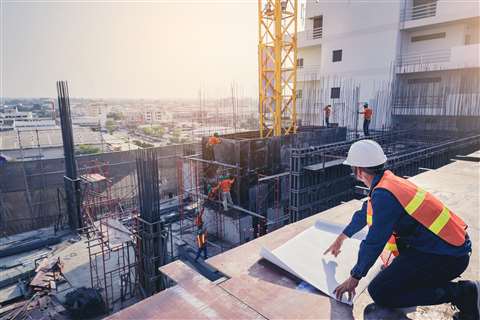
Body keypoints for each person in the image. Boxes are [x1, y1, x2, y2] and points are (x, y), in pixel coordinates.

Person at [324, 140, 478, 320]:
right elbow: (365, 212)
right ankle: (457, 290)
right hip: (447, 249)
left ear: (358, 170)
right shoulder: (388, 183)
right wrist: (341, 238)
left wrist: (355, 277)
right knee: (388, 274)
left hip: (447, 257)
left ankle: (463, 293)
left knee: (380, 291)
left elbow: (374, 241)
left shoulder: (384, 194)